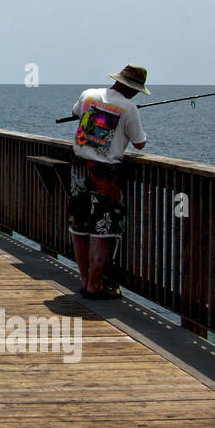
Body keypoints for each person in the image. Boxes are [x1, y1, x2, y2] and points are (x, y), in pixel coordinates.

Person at [68, 65, 149, 300]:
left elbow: (75, 113)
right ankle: (94, 285)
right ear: (132, 89)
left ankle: (84, 280)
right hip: (106, 175)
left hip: (79, 170)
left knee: (79, 227)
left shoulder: (88, 95)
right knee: (101, 230)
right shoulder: (129, 107)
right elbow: (140, 143)